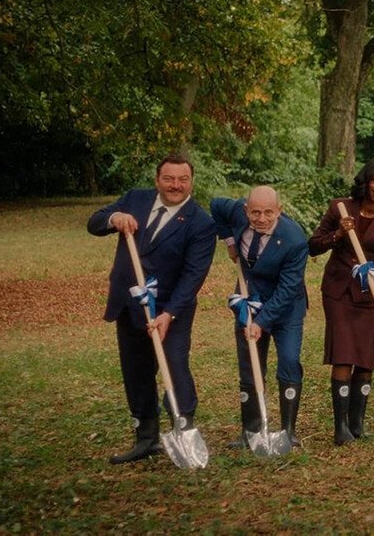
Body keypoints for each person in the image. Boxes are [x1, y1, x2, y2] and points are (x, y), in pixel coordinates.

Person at [87, 153, 216, 464]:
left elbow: (192, 276)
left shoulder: (201, 223)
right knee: (137, 371)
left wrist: (168, 314)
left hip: (172, 308)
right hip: (129, 303)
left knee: (174, 364)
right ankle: (146, 438)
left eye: (183, 179)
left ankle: (182, 426)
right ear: (157, 180)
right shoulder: (135, 199)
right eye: (169, 179)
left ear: (191, 182)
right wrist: (113, 218)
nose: (176, 185)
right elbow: (94, 223)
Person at [309, 160, 374, 445]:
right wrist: (339, 234)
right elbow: (313, 246)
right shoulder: (340, 208)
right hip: (339, 291)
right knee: (344, 354)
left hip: (371, 294)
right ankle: (340, 427)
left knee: (366, 358)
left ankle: (357, 423)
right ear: (365, 181)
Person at [211, 186, 309, 448]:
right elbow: (216, 205)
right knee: (250, 366)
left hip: (286, 307)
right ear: (246, 210)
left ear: (279, 210)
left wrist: (262, 322)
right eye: (255, 212)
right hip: (249, 299)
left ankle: (288, 431)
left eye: (268, 212)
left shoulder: (295, 240)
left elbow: (288, 288)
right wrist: (230, 242)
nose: (262, 218)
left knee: (289, 360)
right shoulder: (237, 213)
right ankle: (250, 431)